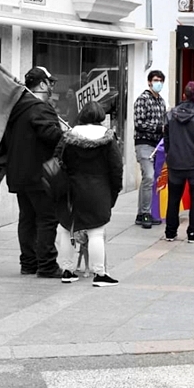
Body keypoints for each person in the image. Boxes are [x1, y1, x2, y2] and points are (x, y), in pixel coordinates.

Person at [6, 67, 66, 277]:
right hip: (40, 175)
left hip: (20, 174)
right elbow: (51, 136)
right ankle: (47, 264)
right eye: (50, 83)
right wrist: (66, 135)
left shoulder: (17, 107)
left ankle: (29, 263)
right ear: (41, 84)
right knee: (47, 219)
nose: (51, 87)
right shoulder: (40, 108)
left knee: (27, 219)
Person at [55, 101, 123, 286]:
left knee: (67, 228)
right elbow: (116, 168)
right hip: (98, 189)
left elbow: (58, 160)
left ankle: (67, 271)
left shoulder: (69, 136)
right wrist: (114, 191)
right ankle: (99, 274)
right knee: (96, 231)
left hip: (72, 189)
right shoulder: (108, 138)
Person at [163, 82, 194, 242]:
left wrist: (169, 154)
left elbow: (166, 138)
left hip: (175, 162)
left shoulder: (171, 114)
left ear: (183, 96)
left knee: (173, 198)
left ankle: (170, 232)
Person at [133, 70, 167, 229]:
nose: (158, 83)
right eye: (155, 80)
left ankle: (142, 212)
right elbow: (139, 123)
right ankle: (145, 213)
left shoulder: (161, 101)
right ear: (149, 82)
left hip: (157, 144)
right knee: (149, 176)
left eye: (160, 80)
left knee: (150, 179)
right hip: (144, 143)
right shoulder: (142, 99)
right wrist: (158, 128)